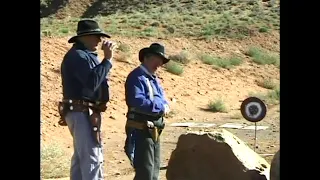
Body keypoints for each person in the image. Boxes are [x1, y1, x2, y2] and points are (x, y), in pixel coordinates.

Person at [59, 19, 116, 180]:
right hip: (81, 111)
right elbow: (92, 84)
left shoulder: (82, 55)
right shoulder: (78, 56)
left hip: (82, 111)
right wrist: (107, 60)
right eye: (96, 36)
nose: (99, 40)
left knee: (81, 158)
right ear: (85, 37)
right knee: (92, 158)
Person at [124, 43, 171, 180]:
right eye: (157, 60)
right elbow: (137, 101)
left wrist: (164, 105)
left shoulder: (153, 79)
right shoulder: (136, 77)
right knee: (146, 171)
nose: (159, 64)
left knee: (153, 170)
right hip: (141, 129)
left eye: (161, 61)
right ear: (146, 58)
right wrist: (160, 107)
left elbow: (162, 98)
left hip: (153, 130)